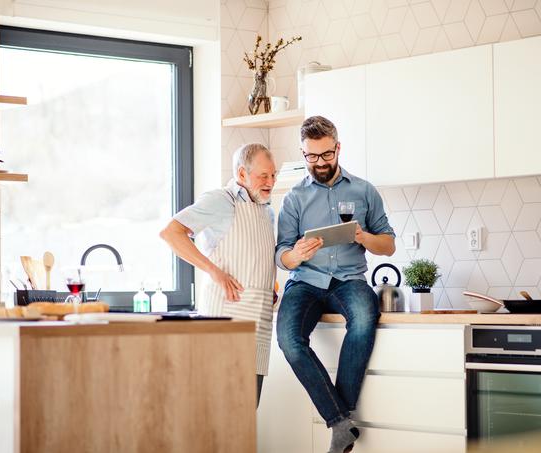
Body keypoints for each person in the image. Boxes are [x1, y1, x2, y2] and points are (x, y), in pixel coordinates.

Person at [275, 116, 395, 453]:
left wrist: (362, 236)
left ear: (338, 148)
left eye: (326, 155)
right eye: (311, 157)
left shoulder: (364, 190)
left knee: (364, 318)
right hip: (306, 282)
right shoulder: (294, 197)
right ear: (303, 153)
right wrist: (295, 255)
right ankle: (341, 421)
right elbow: (280, 254)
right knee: (288, 340)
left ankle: (341, 421)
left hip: (348, 280)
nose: (319, 164)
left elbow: (388, 244)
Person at [160, 143, 277, 407]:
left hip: (258, 323)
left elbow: (255, 257)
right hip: (226, 317)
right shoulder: (220, 201)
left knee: (246, 414)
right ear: (242, 174)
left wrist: (271, 287)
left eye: (273, 175)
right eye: (263, 176)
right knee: (220, 414)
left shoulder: (267, 211)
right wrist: (214, 272)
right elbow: (171, 233)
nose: (271, 182)